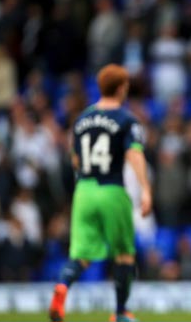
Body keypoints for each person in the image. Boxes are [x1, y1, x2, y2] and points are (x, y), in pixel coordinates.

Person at [48, 64, 152, 322]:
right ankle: (120, 312)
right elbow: (134, 154)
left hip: (83, 190)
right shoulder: (126, 120)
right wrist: (145, 190)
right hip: (111, 189)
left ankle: (62, 287)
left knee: (81, 254)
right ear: (121, 88)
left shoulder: (82, 119)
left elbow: (74, 159)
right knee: (124, 253)